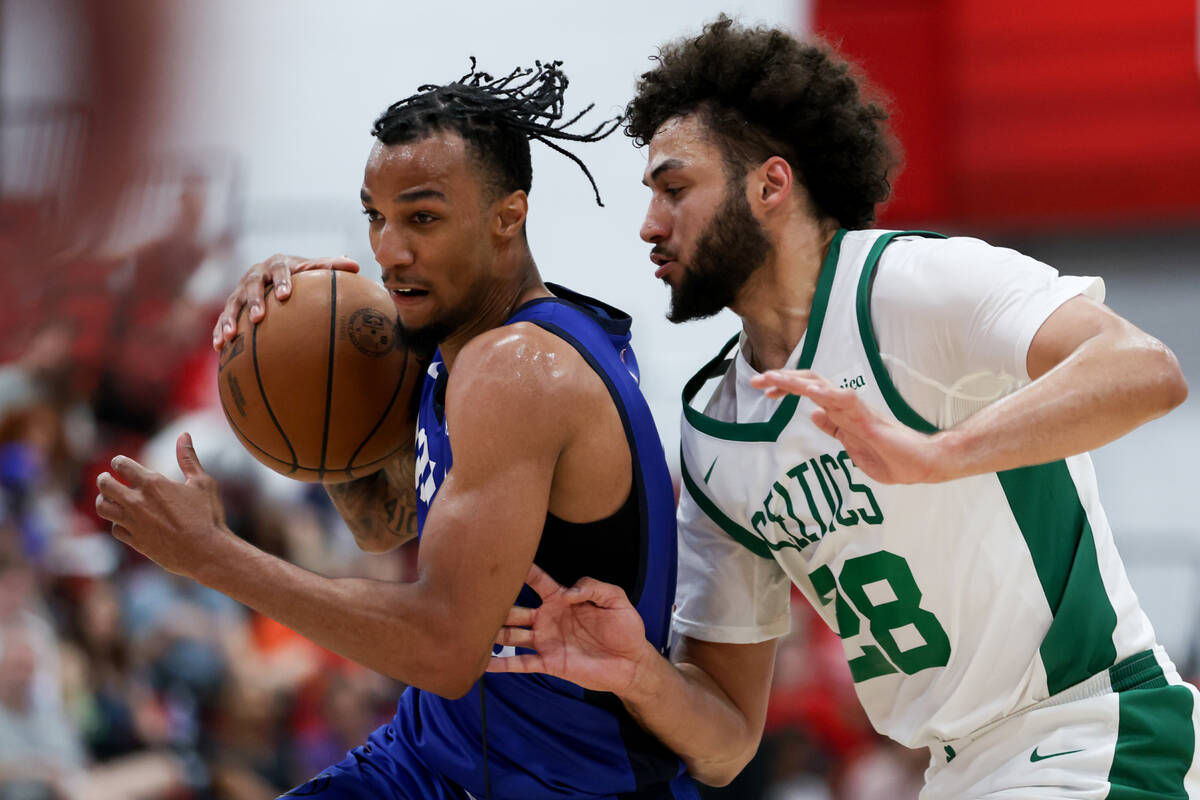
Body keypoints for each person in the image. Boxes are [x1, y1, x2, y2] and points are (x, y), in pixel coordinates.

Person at [487, 18, 1198, 799]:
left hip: (1095, 730)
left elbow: (1146, 370)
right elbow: (726, 742)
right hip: (959, 772)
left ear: (771, 184)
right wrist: (638, 673)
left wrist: (939, 454)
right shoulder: (715, 432)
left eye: (675, 188)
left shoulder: (913, 284)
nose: (650, 226)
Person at [94, 61, 697, 800]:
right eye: (376, 216)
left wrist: (212, 556)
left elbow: (443, 646)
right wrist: (319, 332)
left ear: (509, 215)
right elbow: (385, 524)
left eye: (423, 218)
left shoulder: (516, 368)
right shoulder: (472, 343)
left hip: (557, 784)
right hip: (431, 760)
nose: (388, 249)